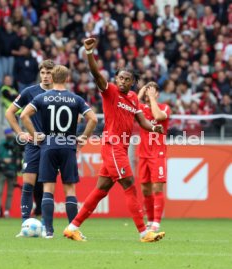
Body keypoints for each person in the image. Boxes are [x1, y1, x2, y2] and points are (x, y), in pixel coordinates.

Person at [63, 37, 165, 243]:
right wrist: (90, 53)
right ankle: (144, 232)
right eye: (120, 78)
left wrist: (154, 127)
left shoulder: (134, 98)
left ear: (133, 82)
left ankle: (72, 227)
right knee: (129, 184)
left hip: (121, 146)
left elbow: (142, 121)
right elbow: (95, 74)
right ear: (116, 79)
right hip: (113, 145)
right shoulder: (109, 91)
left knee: (101, 190)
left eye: (127, 79)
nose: (123, 81)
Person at [20, 65, 97, 238]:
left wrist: (34, 135)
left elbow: (24, 115)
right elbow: (92, 118)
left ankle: (48, 231)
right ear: (68, 79)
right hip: (68, 145)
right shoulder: (75, 99)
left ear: (53, 78)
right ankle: (72, 230)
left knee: (48, 188)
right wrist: (83, 137)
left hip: (48, 145)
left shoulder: (42, 97)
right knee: (69, 189)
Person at [5, 59, 55, 236]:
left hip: (52, 145)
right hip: (33, 145)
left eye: (49, 73)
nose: (46, 76)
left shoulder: (61, 94)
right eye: (43, 73)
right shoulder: (30, 92)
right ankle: (25, 224)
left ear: (55, 73)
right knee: (28, 184)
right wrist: (20, 133)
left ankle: (47, 228)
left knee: (47, 186)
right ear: (39, 74)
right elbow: (10, 112)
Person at [137, 82, 171, 232]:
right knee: (145, 188)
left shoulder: (164, 107)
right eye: (147, 92)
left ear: (157, 94)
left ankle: (157, 221)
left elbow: (158, 116)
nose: (149, 94)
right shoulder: (142, 108)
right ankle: (150, 220)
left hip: (158, 153)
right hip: (143, 153)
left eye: (153, 92)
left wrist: (151, 98)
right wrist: (142, 91)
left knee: (157, 186)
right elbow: (131, 107)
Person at [0, 128, 21, 218]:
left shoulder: (15, 143)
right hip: (1, 170)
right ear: (5, 134)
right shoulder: (1, 143)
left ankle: (6, 211)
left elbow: (18, 157)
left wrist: (15, 161)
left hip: (12, 171)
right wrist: (4, 161)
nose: (10, 135)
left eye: (11, 133)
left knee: (10, 192)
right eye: (8, 133)